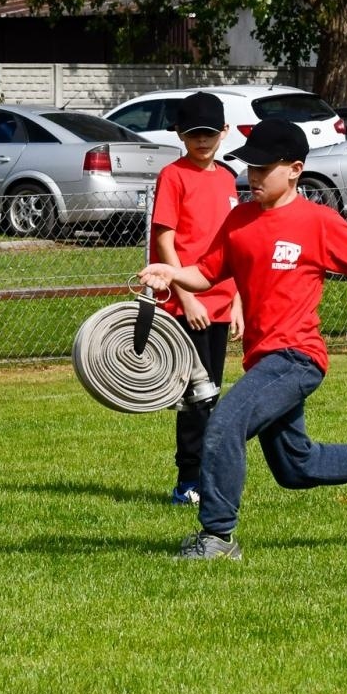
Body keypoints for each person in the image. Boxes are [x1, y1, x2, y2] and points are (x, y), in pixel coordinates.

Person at [139, 119, 347, 560]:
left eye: (263, 169)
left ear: (295, 169)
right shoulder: (239, 220)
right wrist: (171, 272)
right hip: (263, 361)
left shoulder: (318, 222)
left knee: (224, 425)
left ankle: (217, 538)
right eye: (249, 168)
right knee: (297, 466)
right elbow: (205, 273)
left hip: (298, 358)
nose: (252, 177)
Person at [148, 91, 243, 505]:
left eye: (208, 133)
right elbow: (165, 240)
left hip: (221, 302)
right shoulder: (173, 176)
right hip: (187, 304)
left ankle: (209, 476)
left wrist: (237, 299)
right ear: (180, 135)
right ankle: (187, 480)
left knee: (214, 394)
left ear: (223, 132)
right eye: (192, 134)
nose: (201, 141)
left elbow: (234, 245)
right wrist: (185, 296)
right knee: (194, 395)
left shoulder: (226, 178)